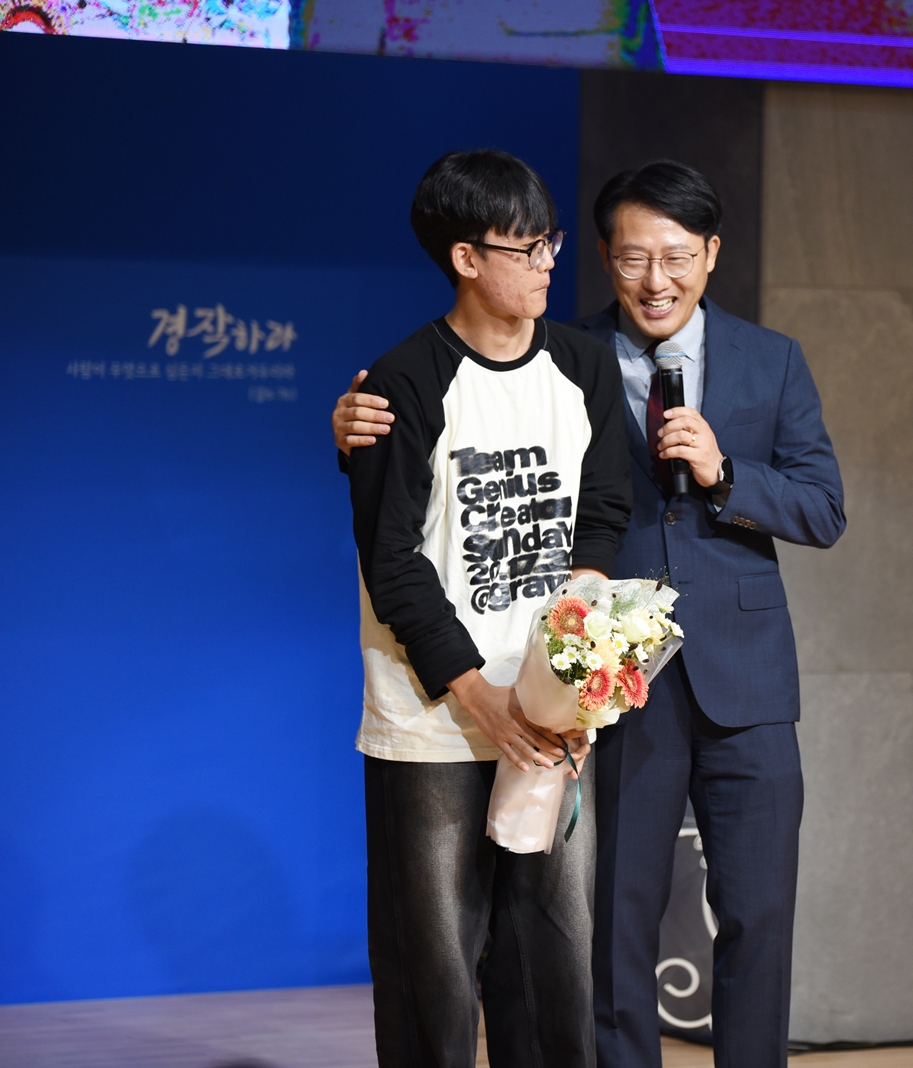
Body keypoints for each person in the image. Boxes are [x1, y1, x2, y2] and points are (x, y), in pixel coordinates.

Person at [335, 160, 845, 1068]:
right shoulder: (563, 352)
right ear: (606, 260)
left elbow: (823, 508)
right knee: (589, 933)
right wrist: (356, 435)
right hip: (597, 691)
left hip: (740, 678)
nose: (657, 279)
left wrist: (727, 474)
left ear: (711, 253)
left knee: (752, 917)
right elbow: (413, 509)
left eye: (678, 256)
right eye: (633, 257)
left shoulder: (767, 360)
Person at [344, 148, 632, 1068]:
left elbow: (605, 509)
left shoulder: (585, 365)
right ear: (466, 258)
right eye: (526, 247)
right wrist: (479, 696)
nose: (548, 263)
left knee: (556, 962)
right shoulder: (402, 383)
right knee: (434, 969)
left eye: (551, 242)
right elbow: (392, 562)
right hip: (435, 722)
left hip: (550, 717)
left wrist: (570, 668)